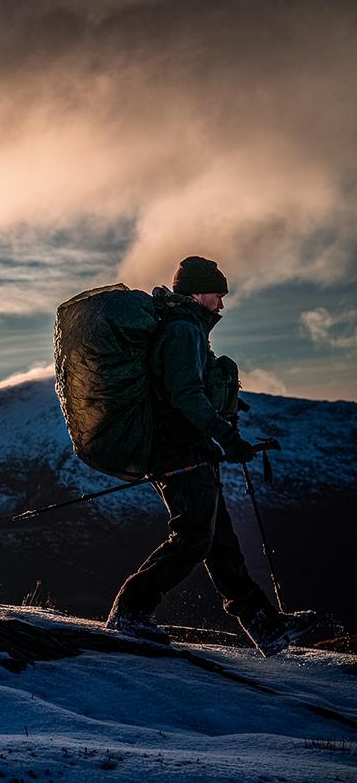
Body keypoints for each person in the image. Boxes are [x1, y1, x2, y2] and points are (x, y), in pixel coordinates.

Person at [104, 256, 319, 656]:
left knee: (219, 543)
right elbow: (185, 394)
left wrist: (221, 438)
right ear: (197, 293)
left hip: (189, 448)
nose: (221, 305)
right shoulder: (183, 330)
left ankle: (265, 627)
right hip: (178, 451)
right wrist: (226, 437)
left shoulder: (187, 330)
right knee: (194, 537)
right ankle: (130, 611)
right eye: (217, 295)